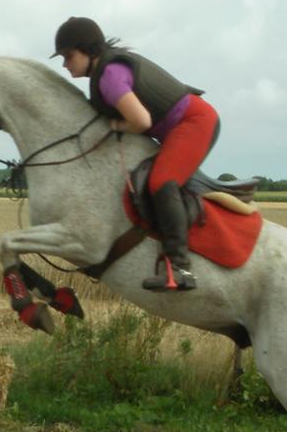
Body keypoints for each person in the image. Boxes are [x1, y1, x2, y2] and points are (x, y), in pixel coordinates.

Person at [50, 16, 219, 291]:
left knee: (161, 181)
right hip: (177, 127)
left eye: (69, 56)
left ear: (89, 51)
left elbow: (140, 121)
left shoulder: (110, 77)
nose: (65, 64)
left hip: (195, 122)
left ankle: (180, 268)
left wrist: (116, 125)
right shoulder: (104, 72)